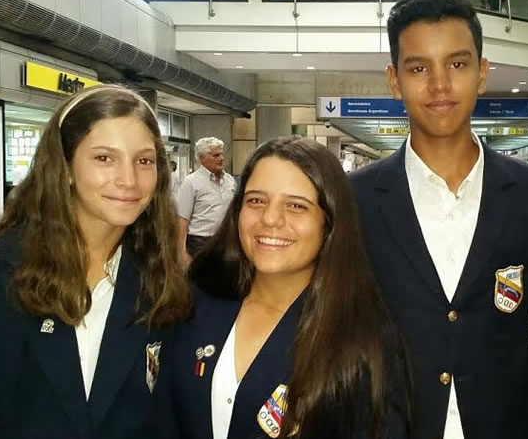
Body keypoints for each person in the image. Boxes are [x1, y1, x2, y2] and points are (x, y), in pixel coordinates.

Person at [351, 0, 528, 437]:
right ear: (394, 80)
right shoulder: (356, 199)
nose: (440, 84)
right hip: (392, 425)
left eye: (458, 64)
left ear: (483, 73)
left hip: (504, 423)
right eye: (418, 68)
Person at [0, 85, 193, 438]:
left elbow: (165, 419)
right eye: (104, 158)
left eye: (144, 161)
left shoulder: (159, 281)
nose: (128, 179)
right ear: (65, 167)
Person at [164, 136, 411, 439]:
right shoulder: (196, 303)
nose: (270, 219)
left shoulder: (362, 335)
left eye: (296, 206)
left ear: (330, 221)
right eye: (256, 200)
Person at [176, 136, 237, 265]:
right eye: (216, 155)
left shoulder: (230, 181)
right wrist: (181, 251)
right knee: (200, 283)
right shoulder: (191, 182)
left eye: (221, 154)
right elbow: (182, 220)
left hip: (225, 242)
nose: (221, 158)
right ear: (202, 158)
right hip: (200, 243)